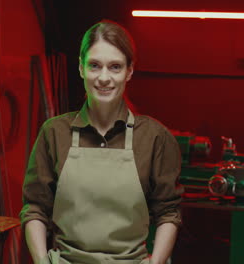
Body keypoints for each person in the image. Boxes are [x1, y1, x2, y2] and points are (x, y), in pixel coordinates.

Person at [20, 19, 183, 264]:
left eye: (115, 67)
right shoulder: (54, 133)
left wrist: (156, 262)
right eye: (94, 65)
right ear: (81, 68)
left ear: (129, 71)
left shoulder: (154, 138)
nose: (104, 78)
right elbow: (35, 208)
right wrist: (42, 261)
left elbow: (168, 213)